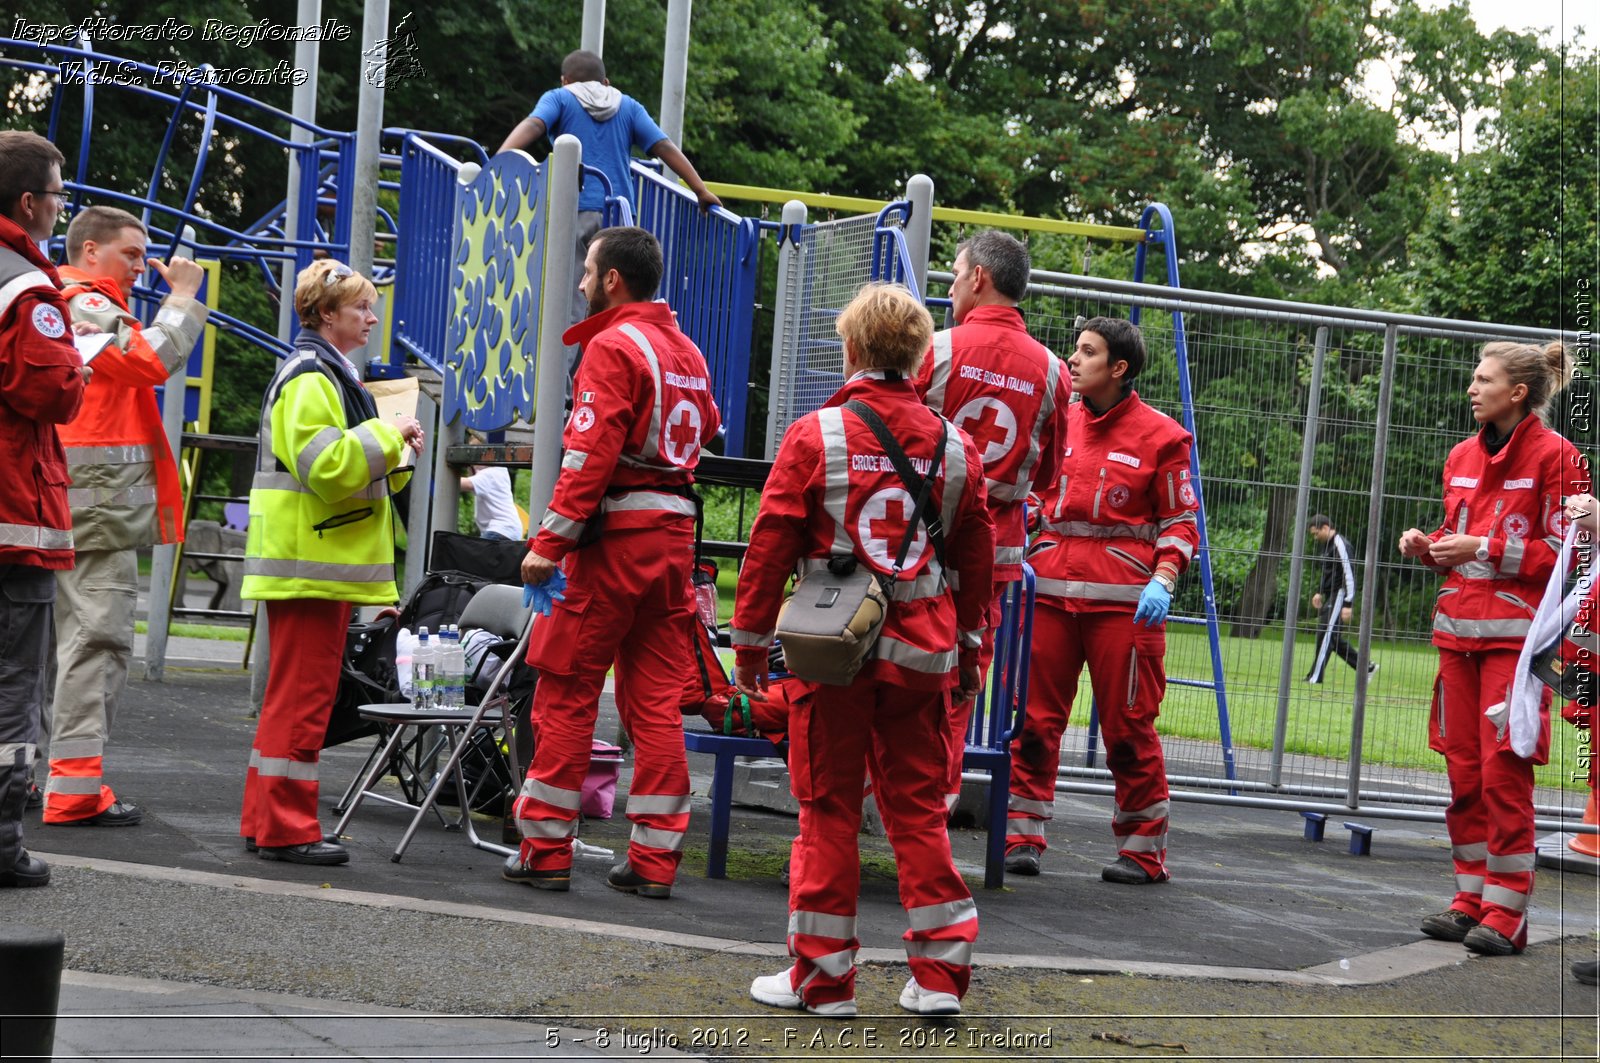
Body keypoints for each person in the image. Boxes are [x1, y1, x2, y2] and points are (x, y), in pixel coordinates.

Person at [732, 283, 996, 1018]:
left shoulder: (818, 434)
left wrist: (749, 646)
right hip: (923, 657)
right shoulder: (956, 446)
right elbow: (979, 561)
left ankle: (823, 981)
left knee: (828, 811)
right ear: (919, 357)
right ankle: (940, 980)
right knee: (918, 814)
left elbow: (770, 543)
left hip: (831, 655)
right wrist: (971, 646)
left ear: (851, 348)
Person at [506, 226, 720, 899]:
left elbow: (587, 456)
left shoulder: (613, 345)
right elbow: (707, 426)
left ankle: (545, 849)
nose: (579, 282)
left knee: (566, 688)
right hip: (674, 543)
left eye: (587, 269)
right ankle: (653, 861)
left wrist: (548, 544)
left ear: (612, 281)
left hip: (615, 545)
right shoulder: (687, 349)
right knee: (656, 701)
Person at [1398, 340, 1587, 956]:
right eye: (1473, 379)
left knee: (1503, 777)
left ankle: (1508, 915)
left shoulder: (1560, 458)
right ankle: (1470, 899)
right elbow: (1462, 545)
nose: (1472, 389)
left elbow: (1567, 559)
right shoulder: (1459, 455)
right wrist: (1431, 548)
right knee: (1463, 776)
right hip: (1457, 637)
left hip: (1515, 647)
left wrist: (1480, 548)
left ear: (1518, 393)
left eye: (1485, 380)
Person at [239, 259, 424, 866]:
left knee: (292, 698)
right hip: (309, 565)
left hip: (312, 563)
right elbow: (326, 469)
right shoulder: (314, 377)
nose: (372, 318)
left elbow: (341, 468)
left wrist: (393, 447)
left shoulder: (325, 374)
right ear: (325, 315)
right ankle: (287, 829)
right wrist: (391, 434)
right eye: (361, 308)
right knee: (303, 700)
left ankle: (267, 820)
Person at [1006, 317, 1199, 883]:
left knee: (1127, 728)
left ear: (1118, 368)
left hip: (1125, 609)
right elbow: (1034, 494)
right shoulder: (1055, 423)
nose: (1073, 358)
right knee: (1034, 724)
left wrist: (1164, 580)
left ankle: (1142, 851)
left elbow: (1181, 521)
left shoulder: (1163, 437)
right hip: (1048, 600)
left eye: (1087, 352)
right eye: (1075, 348)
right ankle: (1021, 835)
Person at [40, 206, 208, 827]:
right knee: (96, 639)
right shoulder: (81, 302)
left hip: (76, 507)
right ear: (89, 251)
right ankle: (75, 789)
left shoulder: (70, 302)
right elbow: (148, 360)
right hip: (95, 514)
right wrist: (186, 299)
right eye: (130, 254)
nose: (142, 266)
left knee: (52, 645)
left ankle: (35, 779)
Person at [914, 230, 1070, 811]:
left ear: (978, 278)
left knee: (893, 673)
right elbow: (1051, 472)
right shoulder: (1056, 373)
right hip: (996, 555)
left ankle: (874, 804)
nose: (952, 286)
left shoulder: (938, 348)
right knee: (960, 683)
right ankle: (937, 807)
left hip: (915, 544)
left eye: (955, 275)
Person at [497, 50, 720, 392]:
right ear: (606, 82)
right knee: (622, 306)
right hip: (619, 223)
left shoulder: (560, 98)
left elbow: (534, 125)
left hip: (574, 214)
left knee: (571, 302)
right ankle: (617, 381)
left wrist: (500, 162)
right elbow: (664, 147)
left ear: (565, 80)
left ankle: (559, 393)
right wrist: (700, 189)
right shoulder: (627, 105)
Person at [0, 130, 88, 887]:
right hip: (11, 527)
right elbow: (49, 391)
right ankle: (1, 844)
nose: (64, 208)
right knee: (11, 691)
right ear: (29, 203)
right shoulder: (27, 287)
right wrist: (78, 358)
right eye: (59, 194)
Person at [1304, 514, 1378, 684]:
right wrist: (1319, 591)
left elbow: (1349, 574)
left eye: (1316, 534)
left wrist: (1348, 603)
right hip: (1331, 595)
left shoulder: (1340, 544)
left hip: (1339, 595)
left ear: (1325, 527)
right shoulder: (1328, 546)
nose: (1315, 538)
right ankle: (1366, 667)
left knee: (1326, 635)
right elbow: (1329, 573)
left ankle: (1315, 677)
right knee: (1333, 638)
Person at [459, 465, 524, 541]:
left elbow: (465, 484)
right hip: (508, 530)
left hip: (501, 529)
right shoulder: (500, 471)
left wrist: (443, 476)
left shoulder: (490, 474)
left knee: (477, 551)